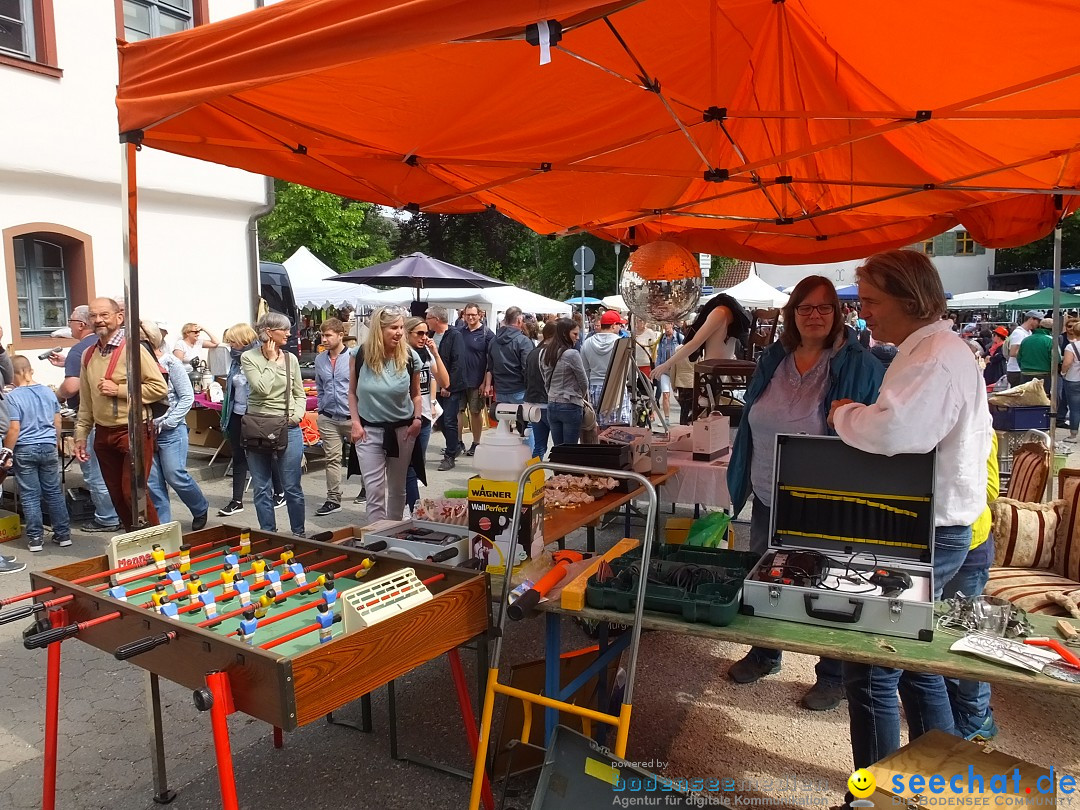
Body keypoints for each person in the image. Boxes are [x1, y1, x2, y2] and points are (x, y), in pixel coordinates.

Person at [828, 249, 992, 772]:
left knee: (874, 668)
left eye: (873, 301)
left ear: (910, 298)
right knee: (917, 665)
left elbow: (897, 431)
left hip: (926, 530)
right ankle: (927, 785)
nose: (865, 311)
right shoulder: (932, 350)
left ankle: (875, 796)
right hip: (927, 525)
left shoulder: (935, 355)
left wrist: (844, 413)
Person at [726, 276, 884, 711]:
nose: (814, 316)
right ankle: (765, 652)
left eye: (824, 308)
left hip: (823, 498)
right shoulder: (774, 358)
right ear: (791, 314)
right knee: (765, 576)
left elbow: (871, 433)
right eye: (804, 308)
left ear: (837, 313)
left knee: (828, 583)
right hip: (766, 491)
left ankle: (832, 674)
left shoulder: (858, 364)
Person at [74, 297, 169, 530]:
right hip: (103, 433)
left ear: (119, 317)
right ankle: (134, 544)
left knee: (132, 493)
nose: (98, 320)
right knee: (116, 496)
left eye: (104, 315)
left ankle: (160, 546)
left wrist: (118, 390)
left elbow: (159, 388)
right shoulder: (88, 354)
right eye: (93, 316)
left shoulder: (134, 349)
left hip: (133, 430)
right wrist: (80, 436)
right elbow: (86, 402)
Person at [941, 432, 999, 741]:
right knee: (943, 629)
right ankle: (954, 706)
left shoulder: (982, 430)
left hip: (971, 548)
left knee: (968, 632)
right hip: (941, 545)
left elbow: (991, 488)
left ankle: (978, 715)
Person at [49, 305, 121, 533]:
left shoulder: (80, 349)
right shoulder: (98, 346)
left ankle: (107, 518)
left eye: (70, 320)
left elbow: (72, 386)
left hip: (91, 417)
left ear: (80, 324)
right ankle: (120, 514)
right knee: (114, 471)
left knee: (95, 473)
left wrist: (55, 397)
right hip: (113, 419)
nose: (68, 325)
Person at [350, 307, 423, 522]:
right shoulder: (360, 354)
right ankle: (376, 540)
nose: (400, 332)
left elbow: (416, 395)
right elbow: (352, 393)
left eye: (401, 327)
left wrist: (417, 419)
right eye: (394, 328)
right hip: (368, 430)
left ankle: (394, 533)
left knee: (398, 489)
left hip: (402, 430)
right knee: (374, 491)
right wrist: (355, 423)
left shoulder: (411, 356)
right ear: (379, 330)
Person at [241, 312, 307, 537]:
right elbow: (261, 388)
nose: (289, 333)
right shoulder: (249, 357)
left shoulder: (291, 358)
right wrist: (270, 361)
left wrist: (295, 417)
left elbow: (300, 393)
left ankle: (299, 533)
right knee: (261, 487)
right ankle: (268, 534)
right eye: (285, 329)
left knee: (292, 486)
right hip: (258, 426)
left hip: (288, 426)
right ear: (269, 332)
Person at [144, 321, 209, 531]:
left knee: (175, 475)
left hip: (171, 430)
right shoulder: (133, 364)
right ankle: (163, 528)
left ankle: (199, 507)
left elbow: (187, 397)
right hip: (145, 431)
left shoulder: (171, 362)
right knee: (153, 482)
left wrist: (170, 421)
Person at [3, 355, 68, 555]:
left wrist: (7, 451)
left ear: (14, 374)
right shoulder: (49, 393)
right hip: (48, 445)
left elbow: (14, 428)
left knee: (30, 494)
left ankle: (35, 538)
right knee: (54, 491)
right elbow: (57, 421)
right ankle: (63, 534)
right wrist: (55, 441)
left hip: (25, 447)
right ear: (30, 370)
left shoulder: (12, 397)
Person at [217, 323, 284, 517]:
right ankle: (236, 501)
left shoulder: (259, 357)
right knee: (238, 456)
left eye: (232, 341)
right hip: (236, 414)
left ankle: (279, 492)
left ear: (243, 340)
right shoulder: (236, 361)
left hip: (256, 415)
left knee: (265, 453)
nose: (229, 345)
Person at [651, 293, 752, 382]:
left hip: (715, 368)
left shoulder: (719, 313)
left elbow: (695, 343)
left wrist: (667, 364)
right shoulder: (729, 314)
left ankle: (708, 392)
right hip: (722, 365)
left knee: (706, 396)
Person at [405, 316, 448, 511]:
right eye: (419, 333)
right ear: (407, 333)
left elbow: (445, 382)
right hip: (405, 415)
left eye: (426, 333)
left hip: (424, 416)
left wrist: (436, 354)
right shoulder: (402, 355)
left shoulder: (426, 354)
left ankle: (413, 508)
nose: (424, 337)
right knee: (408, 467)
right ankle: (411, 508)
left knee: (416, 465)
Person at [313, 317, 352, 516]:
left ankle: (368, 490)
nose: (324, 339)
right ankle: (333, 499)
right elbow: (320, 386)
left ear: (340, 335)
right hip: (329, 416)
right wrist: (321, 408)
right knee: (332, 459)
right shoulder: (320, 359)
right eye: (322, 335)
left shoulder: (353, 356)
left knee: (364, 456)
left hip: (352, 416)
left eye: (328, 335)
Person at [426, 306, 466, 470]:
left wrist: (448, 385)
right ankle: (455, 445)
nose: (426, 321)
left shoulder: (454, 335)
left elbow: (458, 362)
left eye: (428, 318)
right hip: (434, 385)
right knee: (440, 421)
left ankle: (450, 455)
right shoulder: (430, 335)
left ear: (436, 319)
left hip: (450, 386)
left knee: (449, 420)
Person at [581, 310, 631, 426]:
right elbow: (628, 369)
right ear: (613, 326)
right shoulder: (621, 343)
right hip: (616, 387)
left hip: (594, 387)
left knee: (599, 429)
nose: (621, 328)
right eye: (620, 325)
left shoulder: (587, 343)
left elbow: (585, 370)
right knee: (620, 429)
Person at [544, 318, 589, 446]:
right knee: (570, 450)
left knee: (558, 449)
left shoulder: (547, 352)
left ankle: (557, 467)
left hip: (552, 403)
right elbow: (584, 382)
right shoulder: (572, 354)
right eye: (574, 334)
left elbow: (546, 379)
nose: (577, 337)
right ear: (565, 334)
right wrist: (581, 397)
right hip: (570, 403)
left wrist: (551, 394)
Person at [458, 303, 494, 456]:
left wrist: (486, 383)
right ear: (463, 315)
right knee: (457, 412)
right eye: (468, 315)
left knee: (475, 412)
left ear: (480, 315)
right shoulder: (459, 332)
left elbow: (491, 361)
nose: (470, 317)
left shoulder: (487, 334)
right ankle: (458, 442)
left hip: (476, 381)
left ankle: (476, 442)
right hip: (459, 381)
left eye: (473, 314)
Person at [483, 306, 534, 412]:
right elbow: (528, 369)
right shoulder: (523, 341)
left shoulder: (493, 340)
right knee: (526, 424)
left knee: (504, 424)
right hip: (519, 390)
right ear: (520, 320)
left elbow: (490, 367)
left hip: (501, 390)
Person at [524, 322, 556, 459]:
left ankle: (533, 477)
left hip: (533, 403)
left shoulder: (533, 352)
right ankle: (558, 478)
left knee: (539, 446)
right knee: (560, 446)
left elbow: (525, 377)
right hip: (547, 402)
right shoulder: (551, 353)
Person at [1018, 317, 1054, 396]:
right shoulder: (1050, 340)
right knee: (1043, 399)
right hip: (1044, 374)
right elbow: (1056, 359)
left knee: (1027, 398)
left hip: (1025, 374)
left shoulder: (1025, 340)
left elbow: (1019, 357)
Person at [1006, 310, 1042, 387]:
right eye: (1038, 320)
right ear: (1031, 319)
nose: (1039, 323)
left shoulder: (1029, 333)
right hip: (1016, 370)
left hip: (1023, 370)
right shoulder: (1019, 333)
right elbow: (1013, 352)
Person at [654, 323, 682, 419]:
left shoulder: (679, 337)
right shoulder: (662, 338)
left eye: (667, 327)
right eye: (664, 328)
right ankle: (667, 419)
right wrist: (657, 368)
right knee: (665, 394)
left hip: (676, 370)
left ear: (672, 325)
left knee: (678, 396)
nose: (666, 330)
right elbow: (659, 355)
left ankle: (684, 415)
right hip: (664, 370)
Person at [1060, 319, 1080, 443]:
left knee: (1074, 408)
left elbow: (1067, 363)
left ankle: (1073, 435)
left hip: (1073, 379)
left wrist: (1063, 372)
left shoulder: (1071, 346)